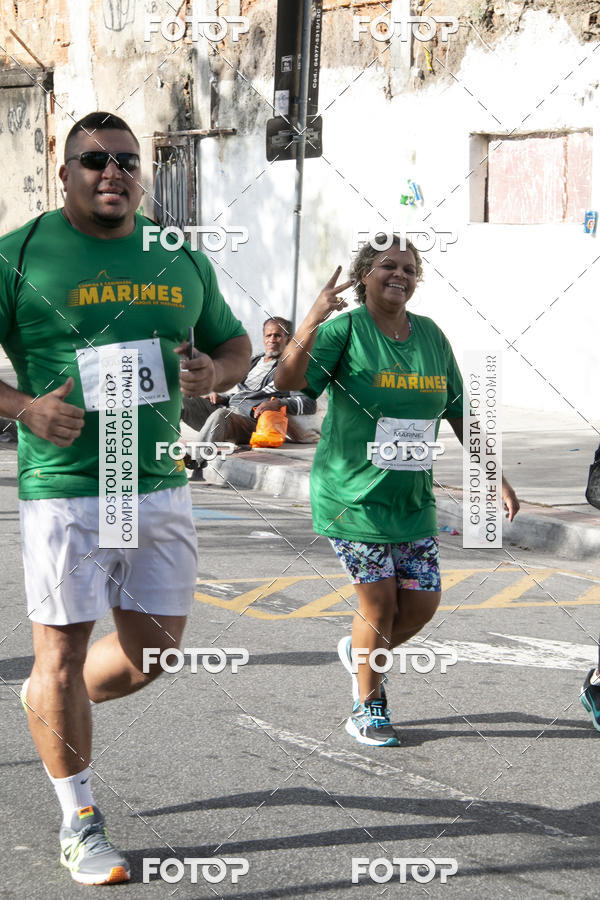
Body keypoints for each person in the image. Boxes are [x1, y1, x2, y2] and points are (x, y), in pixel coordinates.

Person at [0, 112, 251, 884]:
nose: (113, 172)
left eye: (127, 161)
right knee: (62, 651)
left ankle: (48, 701)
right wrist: (25, 410)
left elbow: (233, 345)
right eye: (94, 160)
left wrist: (216, 374)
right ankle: (80, 817)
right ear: (64, 167)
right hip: (66, 485)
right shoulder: (17, 256)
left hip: (155, 481)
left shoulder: (177, 255)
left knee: (154, 656)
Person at [275, 235, 520, 747]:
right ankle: (369, 703)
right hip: (352, 493)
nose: (400, 275)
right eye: (387, 265)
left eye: (409, 268)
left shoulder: (430, 336)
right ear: (365, 275)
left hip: (411, 496)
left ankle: (361, 651)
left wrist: (491, 473)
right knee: (379, 602)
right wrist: (311, 320)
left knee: (423, 603)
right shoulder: (345, 329)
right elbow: (290, 382)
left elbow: (458, 409)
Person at [180, 316, 316, 472]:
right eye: (268, 335)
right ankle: (155, 446)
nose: (272, 339)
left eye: (278, 335)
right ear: (264, 338)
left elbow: (309, 403)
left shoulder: (291, 368)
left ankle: (194, 457)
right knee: (183, 401)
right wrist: (223, 399)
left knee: (220, 415)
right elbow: (246, 395)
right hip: (230, 411)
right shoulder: (255, 361)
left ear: (288, 339)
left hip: (253, 422)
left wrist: (278, 403)